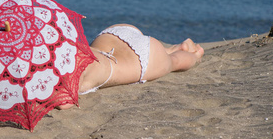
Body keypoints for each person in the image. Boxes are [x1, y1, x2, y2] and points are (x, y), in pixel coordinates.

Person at [58, 24, 204, 109]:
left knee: (174, 62)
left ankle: (195, 55)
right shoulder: (55, 47)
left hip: (142, 57)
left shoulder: (72, 69)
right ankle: (171, 48)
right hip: (111, 35)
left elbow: (65, 102)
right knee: (167, 56)